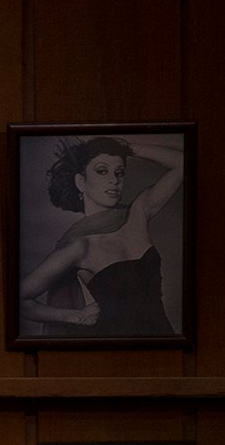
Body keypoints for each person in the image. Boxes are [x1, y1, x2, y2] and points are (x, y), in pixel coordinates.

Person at [18, 135, 184, 337]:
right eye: (102, 171)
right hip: (116, 352)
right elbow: (19, 298)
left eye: (119, 173)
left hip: (165, 341)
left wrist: (127, 148)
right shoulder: (79, 246)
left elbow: (183, 163)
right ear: (81, 182)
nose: (114, 180)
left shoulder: (138, 213)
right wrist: (76, 316)